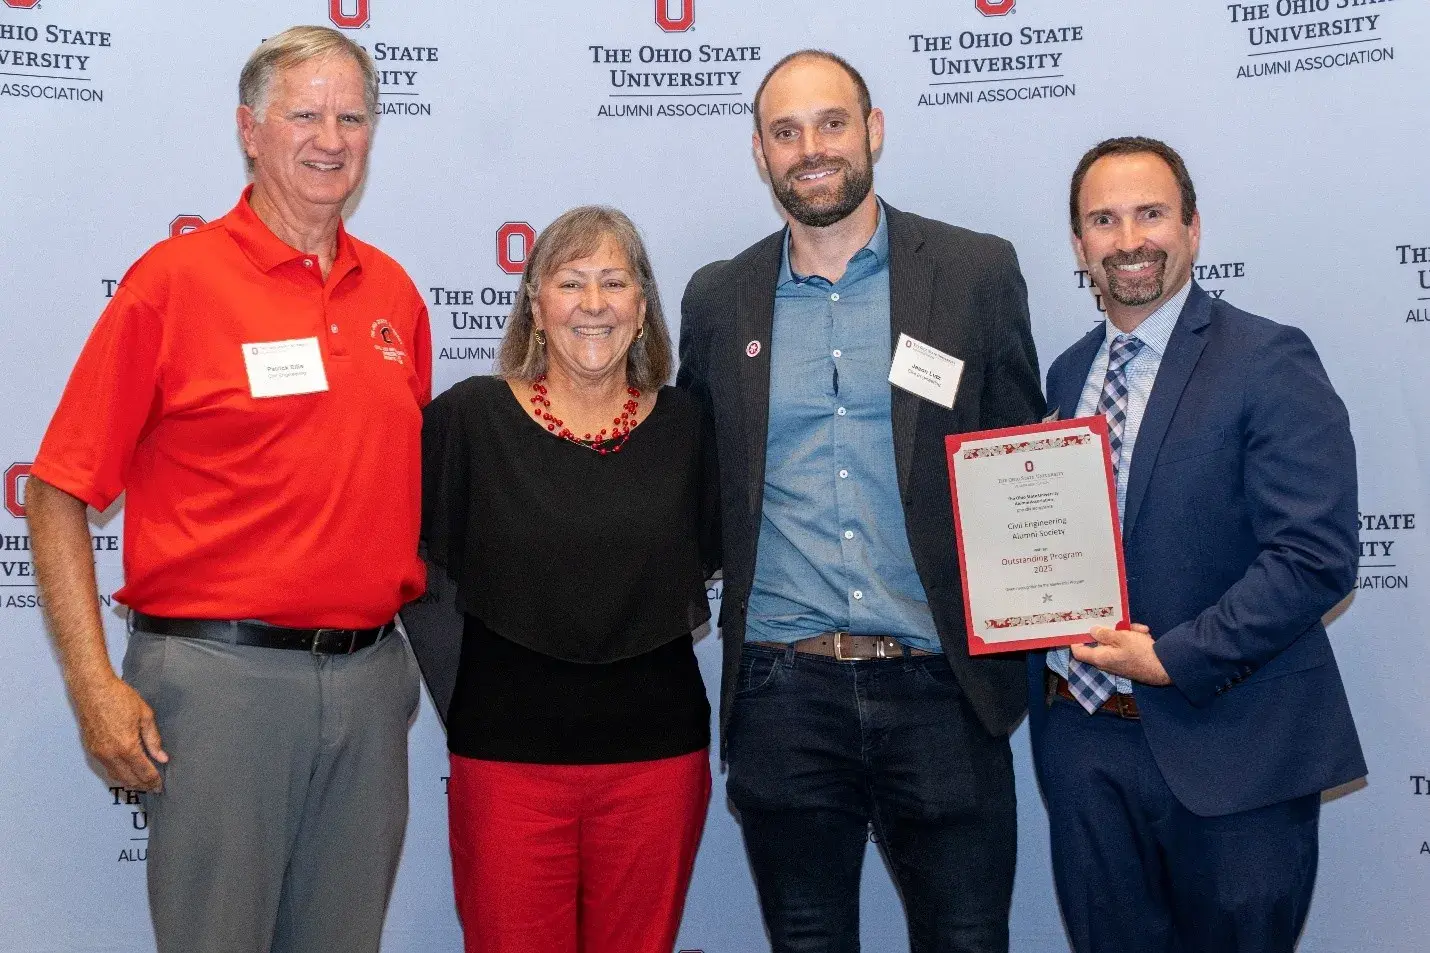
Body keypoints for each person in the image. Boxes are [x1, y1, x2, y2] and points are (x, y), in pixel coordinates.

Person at [26, 26, 428, 953]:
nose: (331, 137)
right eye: (304, 115)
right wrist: (93, 686)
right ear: (250, 130)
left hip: (370, 687)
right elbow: (55, 492)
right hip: (221, 685)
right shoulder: (174, 282)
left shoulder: (395, 297)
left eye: (352, 116)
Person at [678, 50, 1044, 953]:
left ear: (873, 131)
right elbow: (693, 484)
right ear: (760, 154)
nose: (812, 148)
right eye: (786, 131)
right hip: (783, 687)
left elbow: (1023, 462)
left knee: (967, 938)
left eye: (832, 123)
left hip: (941, 684)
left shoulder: (973, 272)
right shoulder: (720, 298)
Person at [1028, 136, 1366, 953]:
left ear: (1193, 227)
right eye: (1103, 220)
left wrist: (1174, 656)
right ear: (1079, 246)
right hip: (1084, 747)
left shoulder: (1268, 357)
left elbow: (1314, 556)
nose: (1128, 238)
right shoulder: (1066, 373)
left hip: (1233, 747)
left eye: (1151, 213)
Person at [421, 205, 717, 953]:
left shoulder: (691, 427)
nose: (593, 304)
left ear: (643, 308)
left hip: (657, 761)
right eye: (571, 282)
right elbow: (416, 578)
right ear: (534, 303)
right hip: (506, 761)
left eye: (614, 282)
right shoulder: (468, 420)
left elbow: (724, 557)